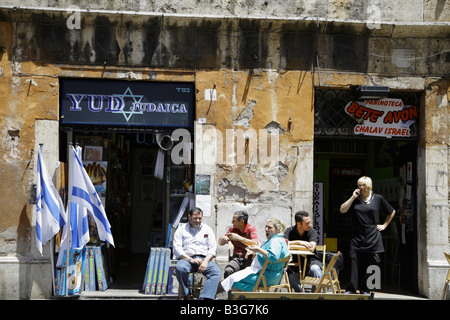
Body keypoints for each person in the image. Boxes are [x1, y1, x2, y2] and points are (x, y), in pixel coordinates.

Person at [340, 176, 395, 294]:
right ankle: (351, 288)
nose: (361, 187)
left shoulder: (378, 198)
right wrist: (352, 197)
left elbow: (391, 212)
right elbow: (342, 210)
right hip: (356, 235)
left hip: (371, 235)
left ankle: (364, 289)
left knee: (367, 263)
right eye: (359, 185)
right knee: (353, 260)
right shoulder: (355, 199)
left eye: (364, 185)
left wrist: (384, 225)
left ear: (369, 186)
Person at [221, 218, 289, 292]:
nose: (266, 229)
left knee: (232, 281)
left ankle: (250, 295)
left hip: (266, 277)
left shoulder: (276, 241)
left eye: (269, 227)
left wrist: (258, 249)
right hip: (274, 276)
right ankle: (250, 294)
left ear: (277, 230)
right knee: (233, 278)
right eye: (266, 227)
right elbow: (269, 253)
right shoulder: (280, 239)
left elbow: (273, 257)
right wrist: (256, 251)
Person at [173, 207, 221, 300]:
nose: (197, 220)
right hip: (187, 259)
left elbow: (212, 248)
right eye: (195, 218)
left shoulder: (207, 229)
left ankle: (205, 298)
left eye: (200, 218)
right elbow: (177, 249)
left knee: (216, 272)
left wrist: (206, 262)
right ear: (189, 217)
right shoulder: (181, 230)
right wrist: (191, 259)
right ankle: (186, 295)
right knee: (180, 268)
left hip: (204, 259)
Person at [284, 211, 323, 292]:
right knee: (290, 276)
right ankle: (303, 296)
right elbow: (283, 244)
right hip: (296, 264)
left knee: (315, 270)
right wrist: (300, 242)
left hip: (311, 261)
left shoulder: (312, 231)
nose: (310, 225)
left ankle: (315, 296)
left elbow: (311, 248)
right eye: (307, 223)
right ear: (299, 224)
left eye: (310, 222)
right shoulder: (289, 231)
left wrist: (291, 245)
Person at [218, 210, 259, 278]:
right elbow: (220, 243)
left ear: (241, 222)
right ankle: (229, 288)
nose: (232, 222)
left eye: (234, 220)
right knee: (228, 270)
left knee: (248, 276)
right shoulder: (233, 229)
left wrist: (239, 238)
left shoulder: (251, 229)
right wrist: (223, 238)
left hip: (249, 259)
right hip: (236, 259)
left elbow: (255, 243)